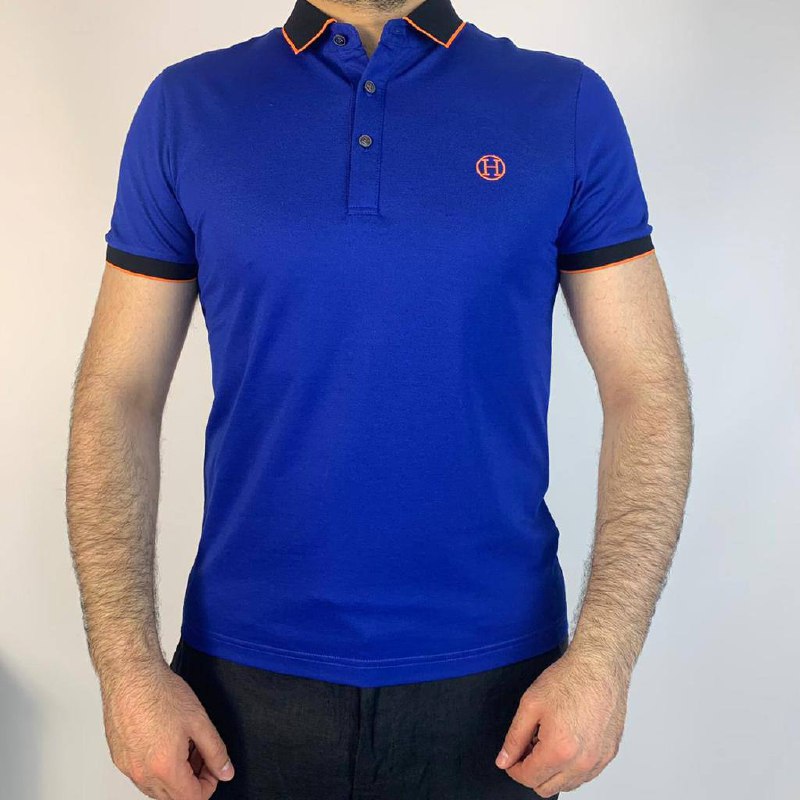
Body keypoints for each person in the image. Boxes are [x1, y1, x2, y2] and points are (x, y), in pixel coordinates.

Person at [66, 0, 693, 797]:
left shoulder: (563, 104)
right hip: (240, 691)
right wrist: (127, 670)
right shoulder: (187, 107)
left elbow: (645, 388)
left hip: (500, 692)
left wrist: (605, 658)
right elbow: (117, 395)